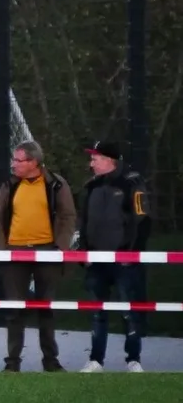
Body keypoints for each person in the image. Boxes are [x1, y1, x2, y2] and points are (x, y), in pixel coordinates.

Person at [0, 140, 76, 373]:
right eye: (14, 160)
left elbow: (68, 216)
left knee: (46, 307)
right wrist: (2, 249)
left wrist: (60, 248)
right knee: (13, 309)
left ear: (33, 162)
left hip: (47, 251)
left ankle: (50, 360)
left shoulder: (56, 184)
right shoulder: (10, 185)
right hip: (14, 252)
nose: (14, 165)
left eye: (19, 160)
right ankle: (12, 362)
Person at [78, 141, 150, 374]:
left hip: (124, 261)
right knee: (97, 310)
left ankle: (133, 360)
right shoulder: (91, 186)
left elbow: (143, 220)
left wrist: (132, 254)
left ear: (110, 160)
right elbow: (84, 222)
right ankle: (96, 360)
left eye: (95, 158)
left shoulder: (132, 182)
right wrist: (83, 252)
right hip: (96, 260)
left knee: (129, 311)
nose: (91, 163)